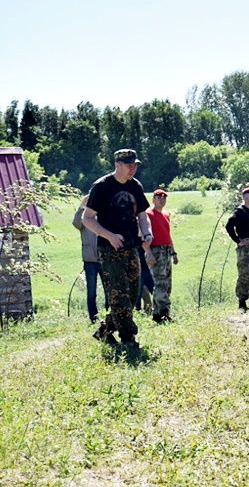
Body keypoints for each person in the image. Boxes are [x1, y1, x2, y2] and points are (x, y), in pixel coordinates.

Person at [82, 149, 152, 348]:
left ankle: (103, 332)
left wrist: (146, 233)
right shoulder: (102, 187)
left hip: (132, 247)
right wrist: (109, 236)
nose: (133, 169)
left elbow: (142, 216)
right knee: (119, 295)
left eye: (135, 165)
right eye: (129, 165)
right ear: (118, 164)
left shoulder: (135, 186)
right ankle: (128, 339)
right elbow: (86, 219)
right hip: (109, 249)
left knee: (130, 296)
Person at [72, 195, 107, 323]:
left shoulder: (102, 215)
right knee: (91, 292)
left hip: (104, 259)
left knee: (108, 290)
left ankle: (108, 315)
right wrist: (81, 206)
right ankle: (94, 318)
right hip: (89, 261)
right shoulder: (84, 218)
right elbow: (75, 224)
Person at [146, 189, 178, 322]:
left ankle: (157, 313)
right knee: (160, 283)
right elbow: (144, 235)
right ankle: (165, 313)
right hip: (155, 250)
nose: (161, 199)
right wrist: (148, 253)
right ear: (153, 199)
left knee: (167, 283)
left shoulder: (165, 214)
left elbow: (167, 235)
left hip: (166, 250)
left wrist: (174, 252)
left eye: (164, 197)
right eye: (158, 197)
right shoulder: (148, 214)